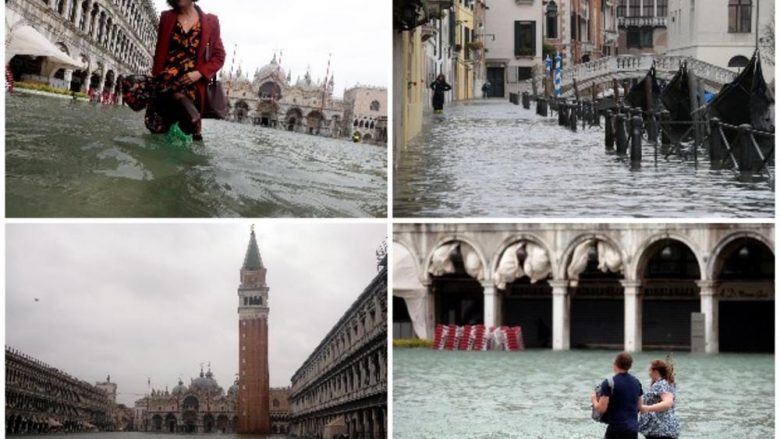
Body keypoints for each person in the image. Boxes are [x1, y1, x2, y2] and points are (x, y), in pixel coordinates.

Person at [123, 0, 225, 141]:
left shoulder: (210, 21)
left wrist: (199, 73)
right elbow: (160, 52)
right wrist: (156, 78)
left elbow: (219, 56)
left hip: (191, 83)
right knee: (130, 84)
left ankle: (193, 129)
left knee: (188, 120)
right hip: (166, 79)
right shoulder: (166, 17)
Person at [591, 352, 644, 439]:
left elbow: (601, 409)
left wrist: (594, 399)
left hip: (616, 429)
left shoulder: (609, 383)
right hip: (633, 429)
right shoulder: (636, 382)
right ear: (630, 366)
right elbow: (639, 407)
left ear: (615, 364)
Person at [638, 360, 680, 439]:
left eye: (650, 370)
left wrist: (646, 408)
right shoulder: (666, 383)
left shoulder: (661, 384)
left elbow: (668, 403)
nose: (649, 372)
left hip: (661, 430)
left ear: (655, 371)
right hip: (663, 429)